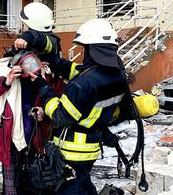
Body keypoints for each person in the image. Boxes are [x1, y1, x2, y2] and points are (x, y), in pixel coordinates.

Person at [27, 19, 129, 195]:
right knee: (82, 181)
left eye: (85, 49)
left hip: (72, 151)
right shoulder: (117, 75)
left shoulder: (83, 84)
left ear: (92, 50)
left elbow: (60, 116)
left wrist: (44, 88)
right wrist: (53, 61)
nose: (83, 53)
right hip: (90, 147)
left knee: (69, 188)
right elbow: (77, 70)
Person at [0, 50, 48, 195]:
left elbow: (53, 98)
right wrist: (6, 81)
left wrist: (43, 110)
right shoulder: (6, 75)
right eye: (27, 65)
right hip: (10, 141)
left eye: (34, 63)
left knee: (34, 183)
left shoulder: (42, 78)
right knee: (11, 188)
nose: (31, 68)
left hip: (35, 139)